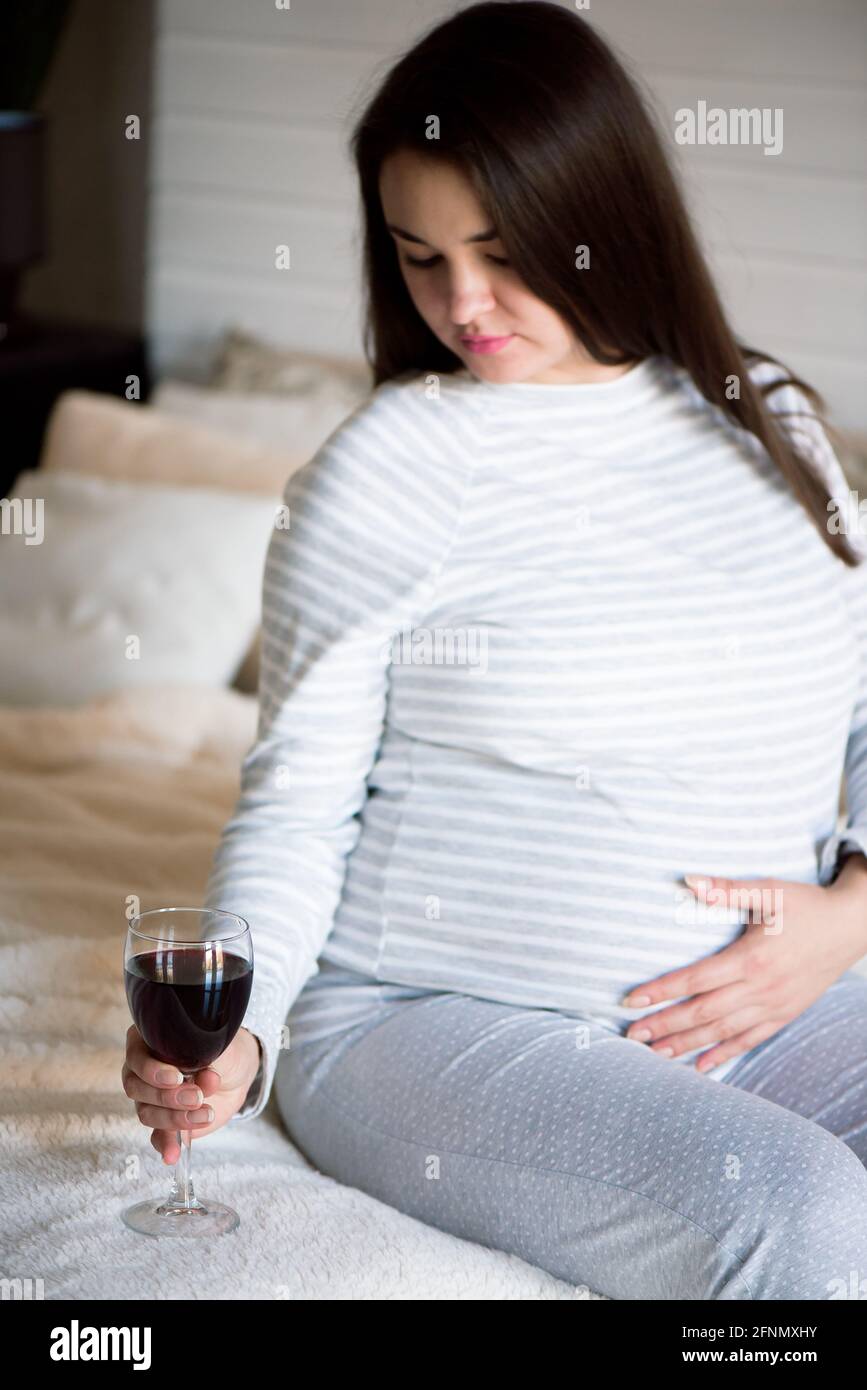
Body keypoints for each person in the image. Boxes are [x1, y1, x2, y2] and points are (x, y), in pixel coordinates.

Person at [123, 3, 867, 1298]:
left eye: (504, 250)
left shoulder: (773, 422)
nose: (464, 303)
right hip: (432, 1019)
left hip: (783, 1006)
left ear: (609, 217)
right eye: (419, 256)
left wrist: (849, 922)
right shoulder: (393, 468)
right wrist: (236, 1033)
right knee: (795, 1217)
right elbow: (297, 800)